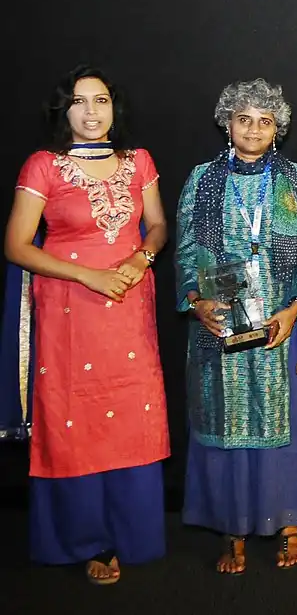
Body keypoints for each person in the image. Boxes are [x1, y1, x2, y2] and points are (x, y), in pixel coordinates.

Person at [3, 65, 170, 584]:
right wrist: (89, 276)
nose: (92, 112)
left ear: (114, 107)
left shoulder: (137, 161)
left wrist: (140, 260)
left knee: (132, 410)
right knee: (74, 417)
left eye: (101, 100)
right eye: (80, 102)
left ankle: (133, 533)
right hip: (70, 307)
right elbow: (16, 245)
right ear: (64, 110)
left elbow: (160, 224)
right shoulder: (44, 166)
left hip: (129, 300)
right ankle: (87, 539)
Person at [175, 79, 297, 574]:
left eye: (265, 121)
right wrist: (196, 301)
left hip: (283, 328)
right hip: (222, 329)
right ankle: (232, 531)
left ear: (278, 129)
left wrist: (295, 308)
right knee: (229, 426)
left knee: (286, 431)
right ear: (228, 124)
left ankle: (288, 527)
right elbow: (182, 253)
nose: (254, 129)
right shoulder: (201, 180)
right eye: (244, 119)